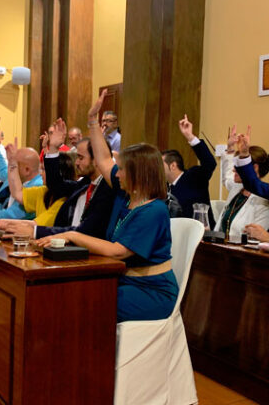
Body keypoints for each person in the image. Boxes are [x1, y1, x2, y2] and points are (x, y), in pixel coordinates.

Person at [37, 90, 177, 322]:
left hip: (150, 291)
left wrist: (72, 235)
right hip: (125, 280)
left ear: (138, 175)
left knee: (85, 302)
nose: (116, 173)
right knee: (69, 293)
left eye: (121, 169)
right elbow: (103, 160)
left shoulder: (154, 210)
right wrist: (92, 120)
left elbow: (117, 251)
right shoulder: (126, 194)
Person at [2, 118, 116, 239]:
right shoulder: (85, 184)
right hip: (67, 244)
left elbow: (86, 230)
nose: (76, 162)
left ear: (97, 160)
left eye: (81, 158)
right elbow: (55, 185)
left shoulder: (107, 189)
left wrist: (34, 232)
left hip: (84, 247)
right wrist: (53, 149)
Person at [214, 125, 269, 241]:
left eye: (238, 166)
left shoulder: (265, 202)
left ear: (254, 168)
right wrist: (230, 148)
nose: (233, 170)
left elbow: (256, 240)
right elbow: (227, 176)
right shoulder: (237, 187)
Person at [0, 118, 43, 220]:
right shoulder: (19, 176)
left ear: (27, 170)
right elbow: (2, 170)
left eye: (14, 165)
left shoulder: (37, 186)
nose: (11, 168)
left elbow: (8, 216)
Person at [2, 136, 76, 226]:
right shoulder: (43, 191)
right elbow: (17, 193)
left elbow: (34, 225)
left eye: (44, 170)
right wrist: (12, 162)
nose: (41, 174)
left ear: (57, 173)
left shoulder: (63, 201)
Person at [162, 115, 217, 228]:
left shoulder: (193, 176)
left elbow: (210, 163)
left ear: (173, 165)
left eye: (160, 164)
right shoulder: (164, 187)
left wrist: (190, 137)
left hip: (201, 234)